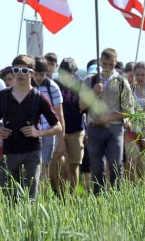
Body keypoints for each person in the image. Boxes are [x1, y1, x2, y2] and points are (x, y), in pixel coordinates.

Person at [0, 55, 62, 200]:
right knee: (8, 199)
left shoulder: (39, 97)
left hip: (32, 153)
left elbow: (58, 127)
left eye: (24, 71)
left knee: (29, 199)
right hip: (9, 152)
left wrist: (38, 132)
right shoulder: (2, 96)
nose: (20, 74)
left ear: (31, 73)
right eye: (16, 70)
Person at [80, 48, 135, 195]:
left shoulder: (122, 82)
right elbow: (81, 105)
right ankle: (99, 196)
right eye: (105, 64)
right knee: (97, 166)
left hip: (115, 129)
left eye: (111, 64)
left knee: (115, 163)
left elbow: (129, 110)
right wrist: (93, 92)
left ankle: (117, 196)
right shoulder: (90, 80)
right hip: (94, 128)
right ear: (100, 62)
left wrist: (109, 117)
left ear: (115, 63)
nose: (108, 67)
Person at [31, 56, 66, 195]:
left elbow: (59, 115)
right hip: (30, 131)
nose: (39, 77)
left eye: (42, 74)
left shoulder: (52, 87)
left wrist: (61, 139)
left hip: (48, 131)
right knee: (33, 165)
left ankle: (42, 196)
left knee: (45, 165)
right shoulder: (28, 85)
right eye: (36, 74)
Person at [54, 58, 85, 193]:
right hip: (59, 129)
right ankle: (60, 194)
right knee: (60, 164)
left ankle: (72, 196)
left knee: (74, 165)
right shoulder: (55, 84)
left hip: (76, 129)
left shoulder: (82, 84)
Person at [125, 61, 145, 180]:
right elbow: (125, 109)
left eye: (142, 75)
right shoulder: (130, 91)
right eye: (137, 75)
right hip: (132, 129)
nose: (140, 78)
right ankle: (132, 187)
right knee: (131, 160)